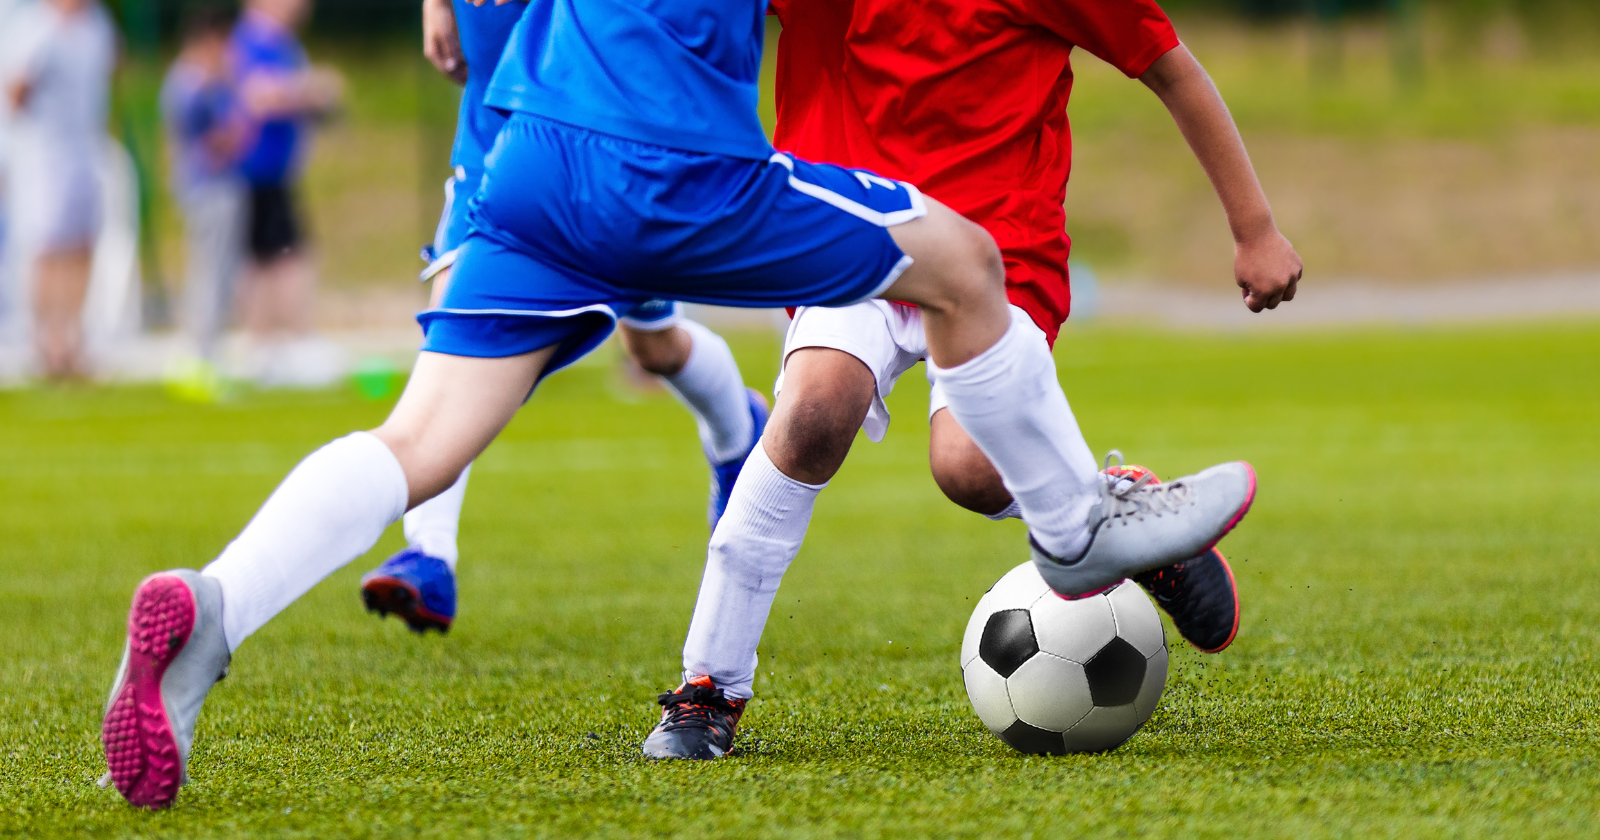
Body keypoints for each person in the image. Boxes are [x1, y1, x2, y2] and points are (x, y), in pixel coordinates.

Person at [99, 0, 1273, 810]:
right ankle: (1075, 531)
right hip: (676, 173)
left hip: (533, 167)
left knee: (418, 437)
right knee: (958, 265)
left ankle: (213, 608)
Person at [640, 0, 1304, 760]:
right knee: (812, 416)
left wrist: (1254, 229)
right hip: (851, 233)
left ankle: (1109, 511)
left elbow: (1169, 66)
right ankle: (709, 689)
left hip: (997, 253)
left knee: (972, 472)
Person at [355, 0, 770, 634]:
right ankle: (430, 554)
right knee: (456, 325)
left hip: (602, 147)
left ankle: (737, 429)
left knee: (653, 349)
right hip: (493, 142)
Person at [0, 0, 117, 380]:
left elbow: (112, 70)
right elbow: (16, 90)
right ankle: (46, 342)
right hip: (46, 151)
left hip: (86, 145)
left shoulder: (97, 23)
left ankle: (73, 338)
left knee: (82, 244)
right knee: (49, 247)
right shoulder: (37, 27)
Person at [230, 0, 342, 385]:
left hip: (275, 172)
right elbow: (259, 96)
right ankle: (284, 344)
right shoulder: (251, 39)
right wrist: (312, 90)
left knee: (273, 256)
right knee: (283, 257)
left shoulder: (281, 42)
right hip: (251, 171)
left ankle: (270, 346)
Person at [161, 5, 249, 373]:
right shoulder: (193, 83)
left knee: (221, 271)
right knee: (210, 270)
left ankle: (209, 347)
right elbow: (215, 140)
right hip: (206, 186)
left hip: (214, 185)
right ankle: (201, 351)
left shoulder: (203, 81)